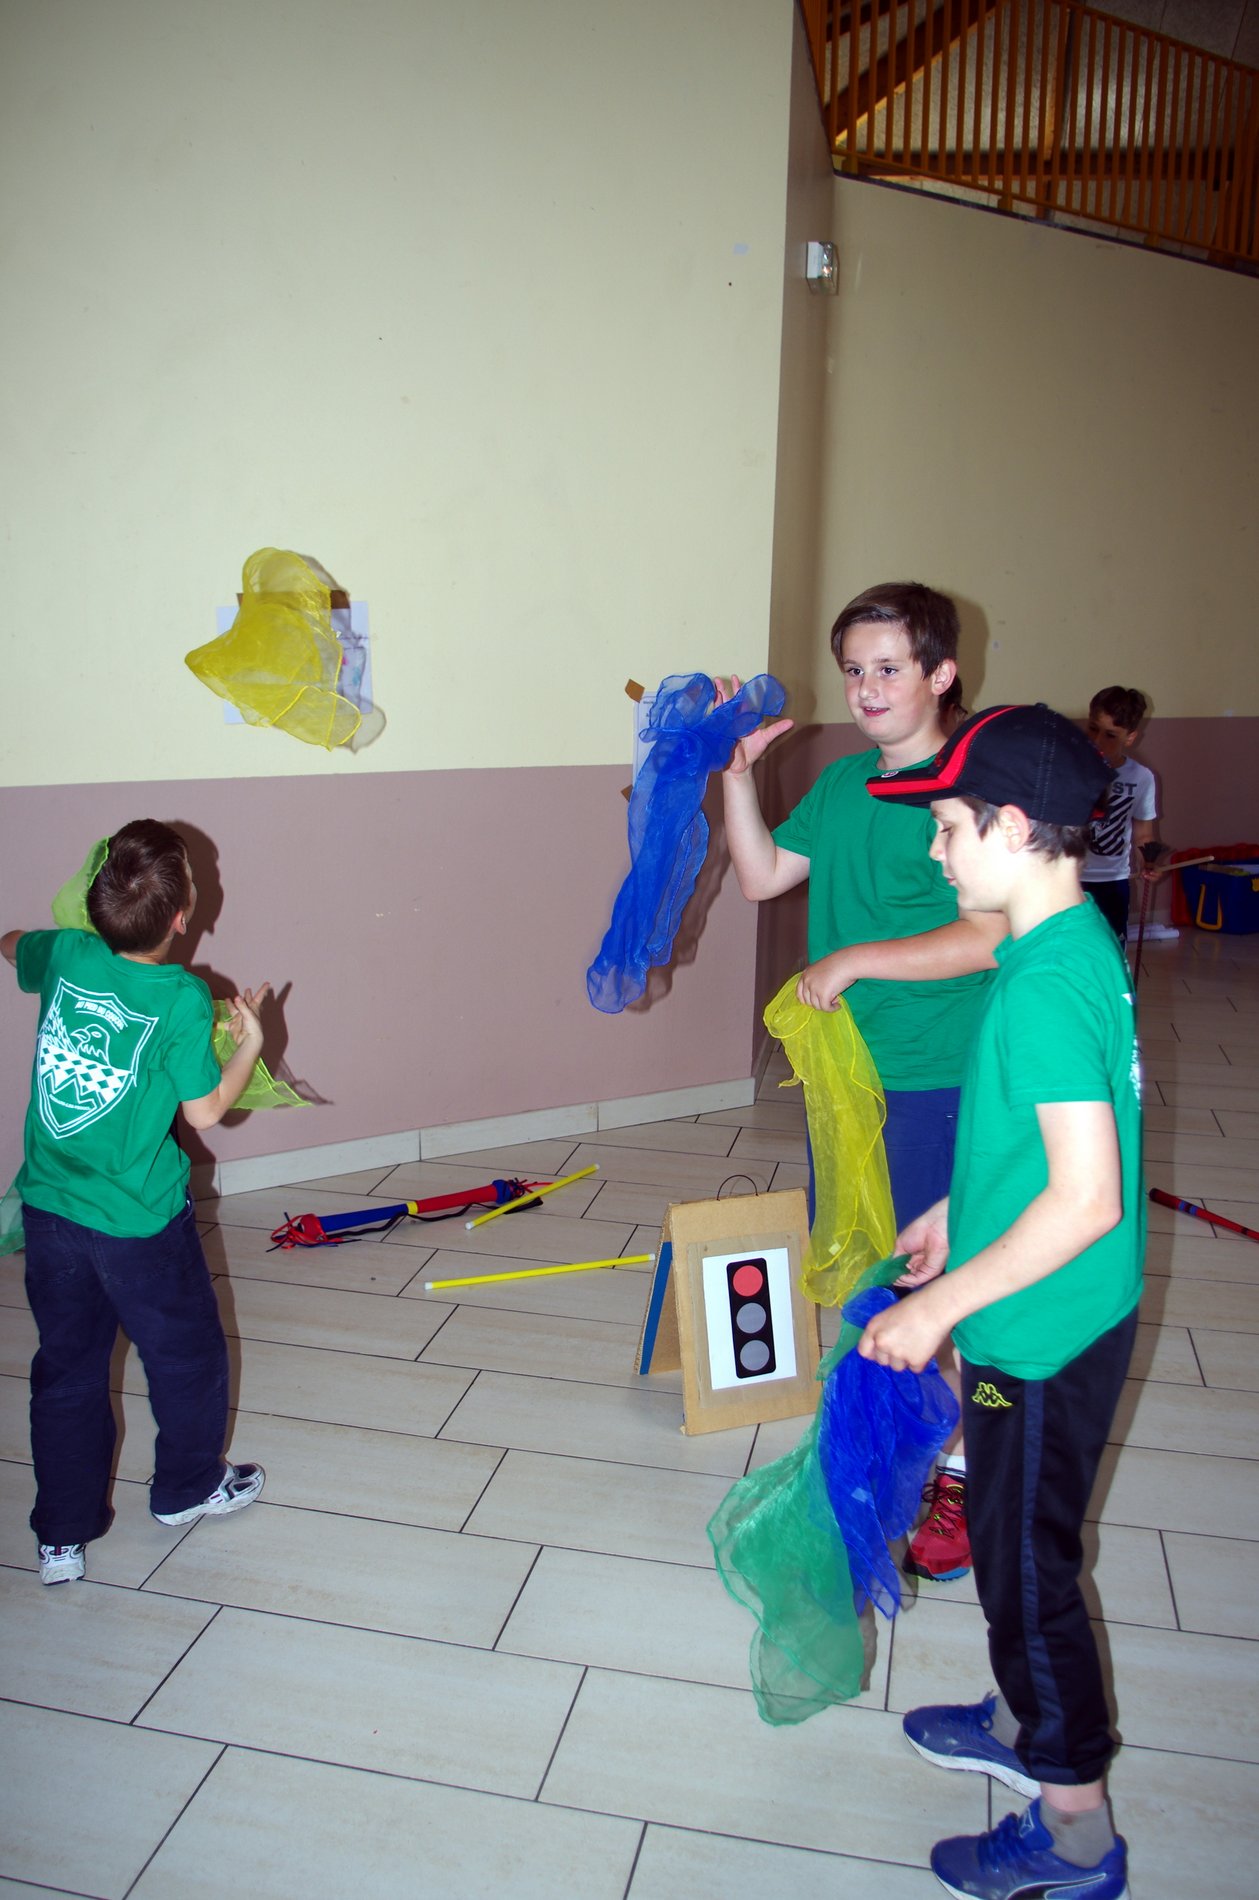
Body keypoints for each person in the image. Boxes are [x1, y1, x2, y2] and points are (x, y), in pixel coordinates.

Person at [858, 703, 1139, 1900]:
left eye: (947, 828)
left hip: (1037, 1331)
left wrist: (938, 1308)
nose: (934, 850)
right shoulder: (1061, 947)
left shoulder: (1039, 986)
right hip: (1050, 1311)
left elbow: (1084, 1199)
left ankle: (1073, 1830)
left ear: (1014, 828)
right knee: (1012, 1541)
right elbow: (1037, 1151)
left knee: (1025, 1569)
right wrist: (951, 1218)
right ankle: (1023, 1716)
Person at [719, 581, 1005, 1582]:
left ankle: (963, 1472)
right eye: (853, 670)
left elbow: (987, 934)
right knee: (874, 1265)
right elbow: (761, 876)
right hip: (848, 1078)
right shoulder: (844, 783)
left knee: (936, 1276)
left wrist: (853, 959)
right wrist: (737, 781)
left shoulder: (965, 791)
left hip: (936, 1073)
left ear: (940, 673)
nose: (867, 687)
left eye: (889, 667)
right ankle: (895, 1445)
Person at [3, 819, 270, 1586]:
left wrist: (24, 941)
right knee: (186, 1357)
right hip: (142, 1227)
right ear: (182, 918)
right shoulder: (182, 998)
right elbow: (205, 1112)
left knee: (67, 1371)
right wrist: (251, 1041)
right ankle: (186, 1487)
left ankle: (61, 1538)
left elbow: (14, 945)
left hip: (50, 1215)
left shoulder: (67, 952)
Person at [1082, 685, 1167, 944]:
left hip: (1113, 881)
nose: (1097, 741)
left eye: (1110, 735)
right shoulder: (1071, 766)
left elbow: (1143, 834)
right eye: (1093, 728)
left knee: (1112, 951)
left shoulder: (1141, 777)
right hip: (1068, 879)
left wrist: (1148, 862)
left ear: (1130, 738)